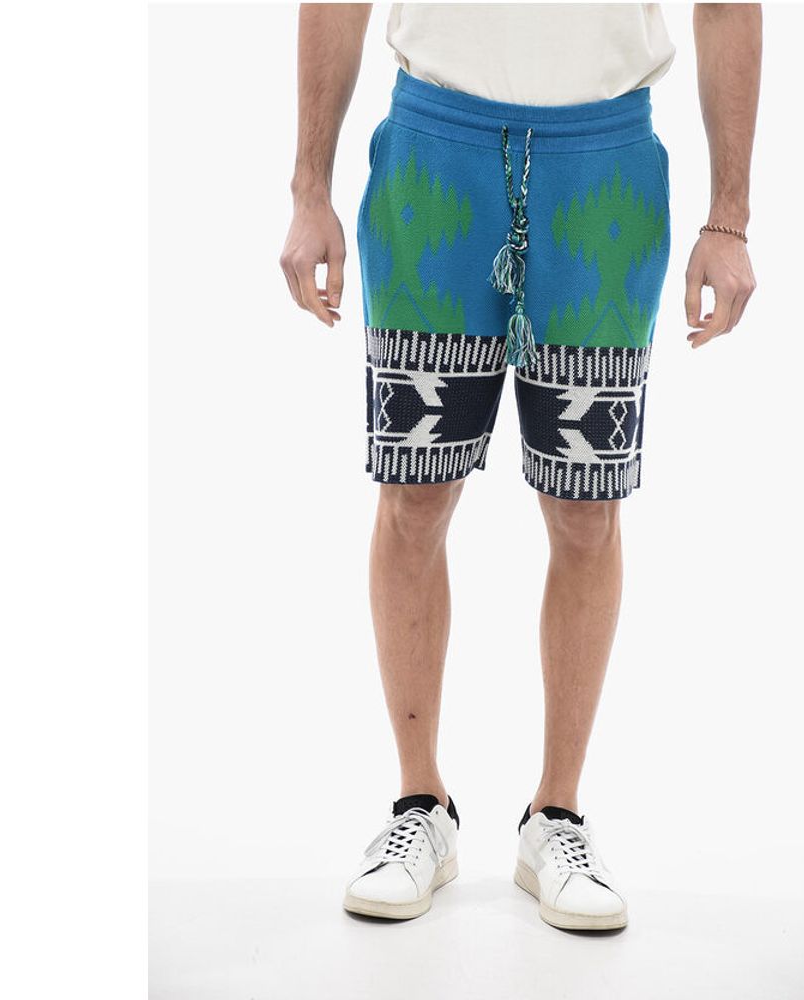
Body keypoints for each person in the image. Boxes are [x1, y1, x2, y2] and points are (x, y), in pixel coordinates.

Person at [280, 2, 760, 931]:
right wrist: (309, 187)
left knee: (587, 505)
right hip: (433, 153)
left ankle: (557, 817)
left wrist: (730, 218)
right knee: (414, 493)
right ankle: (421, 807)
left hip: (605, 166)